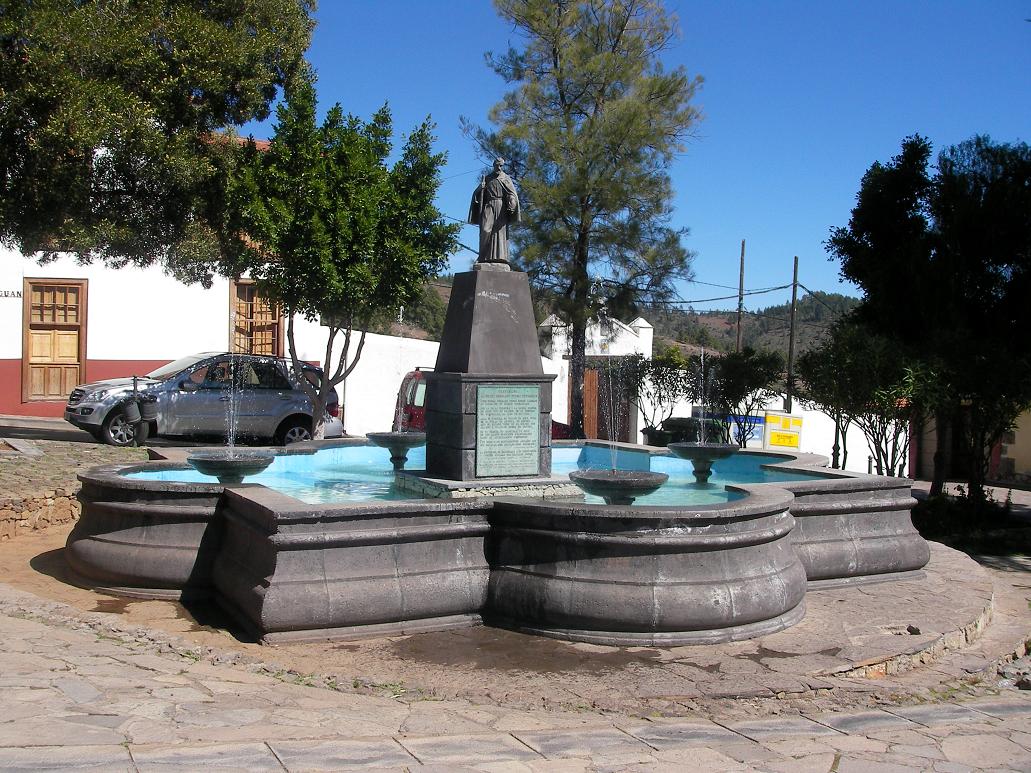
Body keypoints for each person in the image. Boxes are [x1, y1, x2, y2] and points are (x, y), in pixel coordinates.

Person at [468, 158, 521, 265]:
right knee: (485, 229)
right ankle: (482, 256)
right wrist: (479, 189)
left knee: (499, 232)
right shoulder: (487, 178)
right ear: (493, 165)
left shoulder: (506, 178)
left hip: (501, 207)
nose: (499, 167)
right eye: (498, 165)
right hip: (489, 206)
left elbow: (512, 194)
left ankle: (500, 257)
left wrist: (512, 204)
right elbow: (477, 196)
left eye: (501, 166)